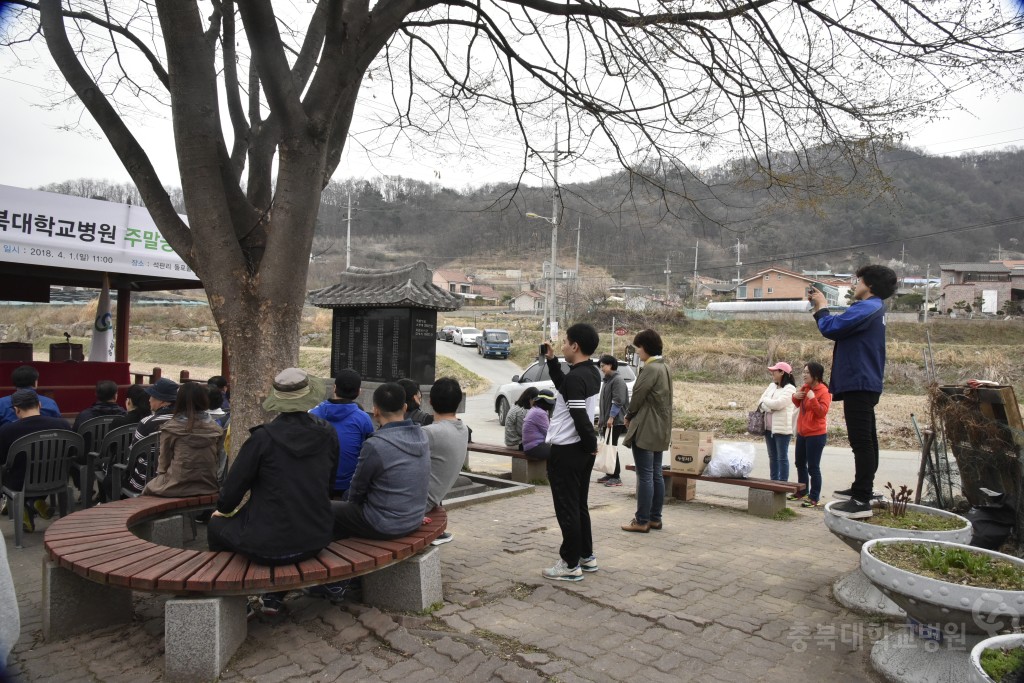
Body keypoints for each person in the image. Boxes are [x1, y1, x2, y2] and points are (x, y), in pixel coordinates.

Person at [208, 368, 338, 615]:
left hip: (267, 547)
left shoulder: (262, 439)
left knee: (216, 527)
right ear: (308, 396)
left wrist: (222, 510)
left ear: (277, 400)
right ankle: (274, 596)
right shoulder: (327, 433)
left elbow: (229, 496)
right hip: (316, 538)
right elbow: (328, 485)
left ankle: (232, 601)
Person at [810, 264, 898, 520]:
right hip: (864, 381)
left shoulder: (868, 307)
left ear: (869, 285)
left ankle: (861, 499)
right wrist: (821, 310)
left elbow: (832, 328)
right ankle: (864, 490)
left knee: (861, 442)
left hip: (859, 381)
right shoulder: (875, 308)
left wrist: (822, 305)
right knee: (867, 440)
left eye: (858, 280)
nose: (854, 284)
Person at [540, 323, 601, 582]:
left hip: (568, 451)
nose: (563, 345)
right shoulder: (591, 372)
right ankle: (586, 556)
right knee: (579, 505)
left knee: (567, 508)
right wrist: (553, 361)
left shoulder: (577, 377)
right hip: (581, 452)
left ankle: (569, 563)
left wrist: (591, 445)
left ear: (575, 346)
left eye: (565, 342)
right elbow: (566, 390)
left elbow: (577, 415)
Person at [332, 382, 430, 541]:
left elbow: (356, 491)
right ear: (405, 408)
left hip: (385, 525)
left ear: (375, 411)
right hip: (414, 518)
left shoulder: (376, 444)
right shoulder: (422, 436)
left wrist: (345, 502)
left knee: (323, 508)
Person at [621, 329, 673, 533]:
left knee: (645, 475)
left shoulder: (650, 369)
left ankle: (641, 520)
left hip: (646, 427)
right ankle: (654, 518)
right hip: (661, 427)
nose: (637, 352)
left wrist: (628, 416)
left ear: (646, 348)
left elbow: (637, 397)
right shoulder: (665, 367)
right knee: (656, 474)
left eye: (638, 348)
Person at [0, 389, 72, 532]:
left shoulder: (7, 430)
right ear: (39, 404)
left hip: (20, 483)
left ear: (16, 409)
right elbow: (72, 452)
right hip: (56, 478)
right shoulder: (62, 425)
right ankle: (34, 502)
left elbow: (3, 460)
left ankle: (26, 504)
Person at [143, 382, 224, 497]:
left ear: (179, 400)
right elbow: (219, 459)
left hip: (176, 485)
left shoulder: (171, 428)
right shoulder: (216, 429)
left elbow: (163, 465)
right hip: (208, 485)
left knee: (147, 490)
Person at [310, 368, 374, 498]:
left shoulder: (312, 415)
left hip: (316, 484)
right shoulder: (363, 419)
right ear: (358, 392)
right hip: (348, 488)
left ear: (334, 388)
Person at [423, 377, 469, 545]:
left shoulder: (429, 433)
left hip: (419, 503)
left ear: (430, 401)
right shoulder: (463, 429)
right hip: (434, 498)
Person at [126, 377, 180, 495]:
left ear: (163, 401)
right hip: (176, 480)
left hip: (146, 482)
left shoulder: (148, 423)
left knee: (112, 478)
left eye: (152, 396)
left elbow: (133, 454)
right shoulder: (183, 421)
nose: (149, 399)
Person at [791, 362, 832, 509]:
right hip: (802, 432)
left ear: (815, 375)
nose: (804, 375)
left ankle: (814, 497)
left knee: (813, 467)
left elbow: (822, 412)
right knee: (800, 463)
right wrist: (795, 396)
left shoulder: (824, 391)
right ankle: (802, 491)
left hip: (816, 434)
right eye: (803, 372)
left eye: (807, 372)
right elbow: (797, 403)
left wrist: (813, 398)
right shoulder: (805, 388)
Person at [757, 362, 797, 482]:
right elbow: (760, 402)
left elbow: (779, 404)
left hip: (782, 428)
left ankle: (782, 483)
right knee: (772, 457)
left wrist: (766, 402)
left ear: (782, 372)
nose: (772, 373)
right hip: (768, 428)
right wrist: (770, 407)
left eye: (774, 371)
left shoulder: (790, 388)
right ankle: (773, 481)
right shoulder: (771, 386)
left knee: (782, 458)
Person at [596, 354, 629, 487]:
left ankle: (616, 476)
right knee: (609, 446)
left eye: (603, 366)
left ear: (610, 365)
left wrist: (611, 417)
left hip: (616, 421)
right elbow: (604, 402)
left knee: (612, 447)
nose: (601, 369)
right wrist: (601, 419)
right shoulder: (607, 381)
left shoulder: (618, 380)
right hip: (607, 420)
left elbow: (618, 401)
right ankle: (610, 473)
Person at [522, 389, 556, 460]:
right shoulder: (540, 413)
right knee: (560, 452)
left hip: (529, 446)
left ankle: (550, 470)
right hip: (534, 447)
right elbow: (549, 433)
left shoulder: (535, 409)